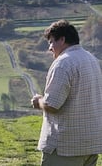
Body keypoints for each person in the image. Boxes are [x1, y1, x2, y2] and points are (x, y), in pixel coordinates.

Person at [31, 19, 102, 166]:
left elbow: (52, 104)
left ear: (62, 39)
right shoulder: (92, 60)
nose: (50, 48)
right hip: (91, 144)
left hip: (65, 146)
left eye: (51, 42)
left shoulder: (63, 63)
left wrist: (38, 101)